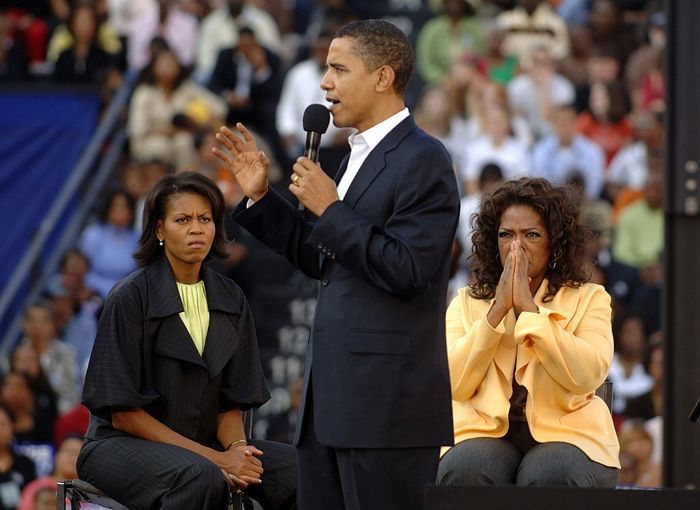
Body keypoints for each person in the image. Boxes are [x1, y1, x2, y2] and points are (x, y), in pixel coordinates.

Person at [214, 19, 460, 510]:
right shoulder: (353, 157)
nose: (324, 82)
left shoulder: (425, 159)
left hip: (386, 408)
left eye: (337, 69)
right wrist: (263, 199)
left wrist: (331, 209)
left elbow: (408, 269)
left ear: (383, 77)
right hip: (330, 404)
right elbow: (322, 259)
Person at [76, 172, 296, 510]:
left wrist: (237, 449)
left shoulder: (231, 297)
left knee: (303, 470)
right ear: (160, 229)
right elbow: (123, 415)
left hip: (202, 442)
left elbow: (229, 403)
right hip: (120, 444)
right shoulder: (130, 297)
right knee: (200, 476)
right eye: (183, 219)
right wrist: (218, 459)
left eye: (205, 218)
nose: (197, 228)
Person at [437, 177, 620, 487]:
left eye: (531, 235)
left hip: (570, 434)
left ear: (555, 243)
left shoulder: (591, 298)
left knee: (550, 474)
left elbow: (588, 375)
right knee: (466, 468)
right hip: (482, 431)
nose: (516, 246)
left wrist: (530, 312)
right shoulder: (466, 302)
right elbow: (453, 384)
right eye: (506, 235)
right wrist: (496, 313)